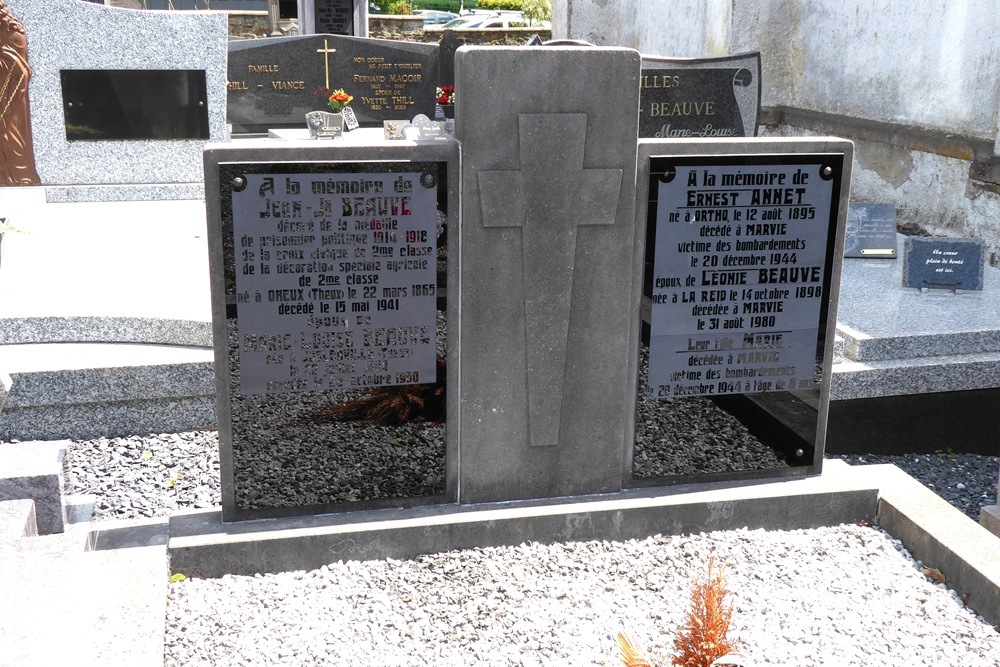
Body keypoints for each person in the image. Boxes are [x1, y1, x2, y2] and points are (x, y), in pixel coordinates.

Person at [0, 0, 40, 186]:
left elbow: (19, 68)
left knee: (11, 132)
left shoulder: (14, 34)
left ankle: (18, 174)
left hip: (10, 96)